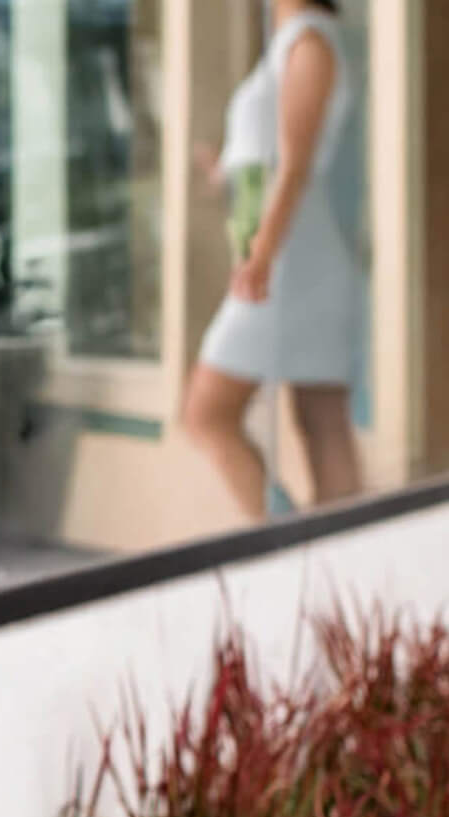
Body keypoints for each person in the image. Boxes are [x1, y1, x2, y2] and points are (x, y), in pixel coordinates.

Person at [183, 0, 361, 520]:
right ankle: (332, 550)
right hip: (283, 255)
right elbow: (268, 160)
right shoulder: (290, 41)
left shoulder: (309, 43)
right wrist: (222, 176)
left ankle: (283, 539)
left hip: (291, 262)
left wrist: (261, 254)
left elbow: (296, 165)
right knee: (320, 419)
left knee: (207, 413)